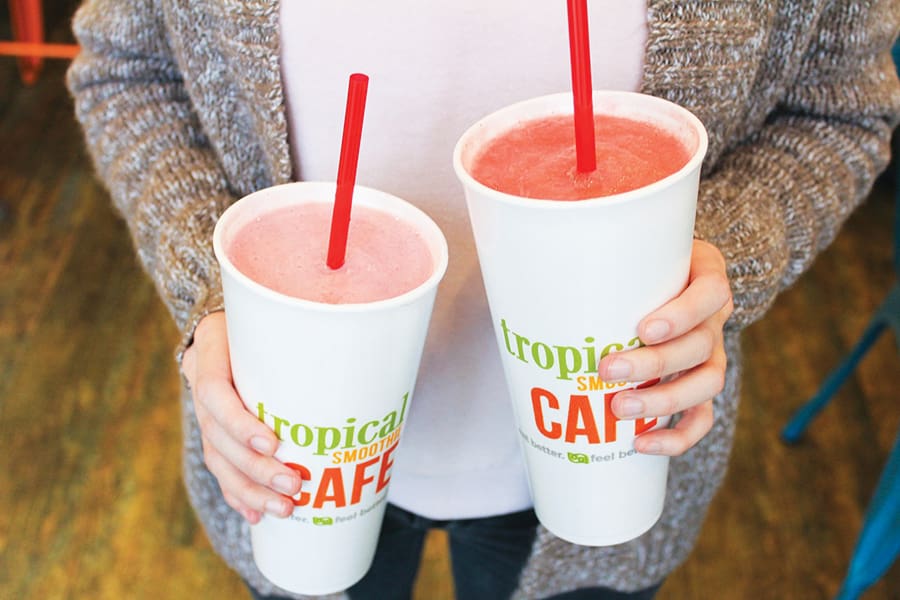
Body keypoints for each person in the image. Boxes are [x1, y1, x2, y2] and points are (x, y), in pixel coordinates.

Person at [66, 1, 900, 599]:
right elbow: (128, 72)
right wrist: (215, 291)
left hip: (620, 443)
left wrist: (718, 255)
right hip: (285, 460)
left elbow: (838, 109)